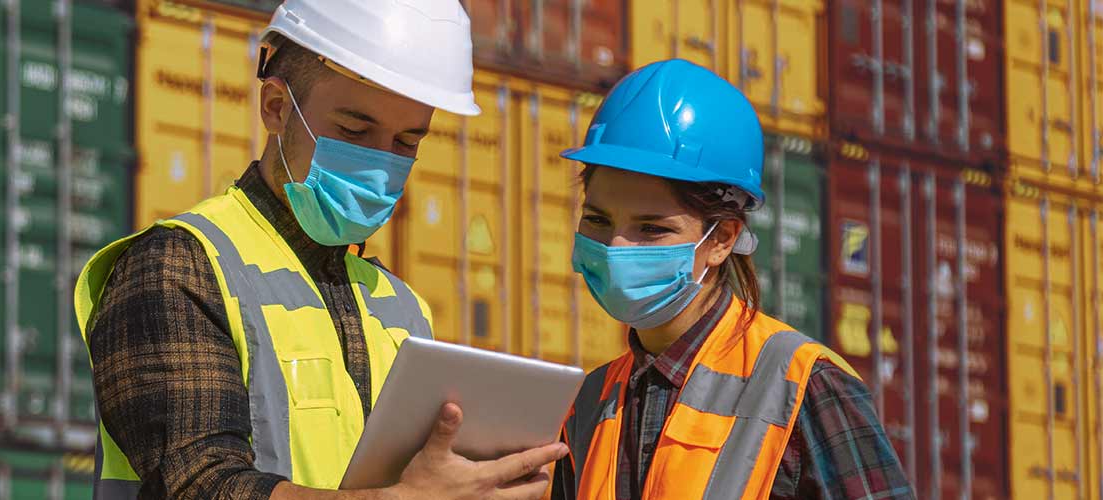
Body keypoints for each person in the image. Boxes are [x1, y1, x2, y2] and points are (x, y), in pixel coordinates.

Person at [72, 1, 566, 499]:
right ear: (276, 107)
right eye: (354, 131)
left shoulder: (402, 309)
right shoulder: (178, 266)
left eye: (406, 141)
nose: (380, 163)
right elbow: (200, 484)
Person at [549, 59, 916, 500]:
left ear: (722, 238)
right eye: (598, 219)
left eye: (652, 228)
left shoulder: (804, 386)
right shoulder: (588, 403)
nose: (616, 247)